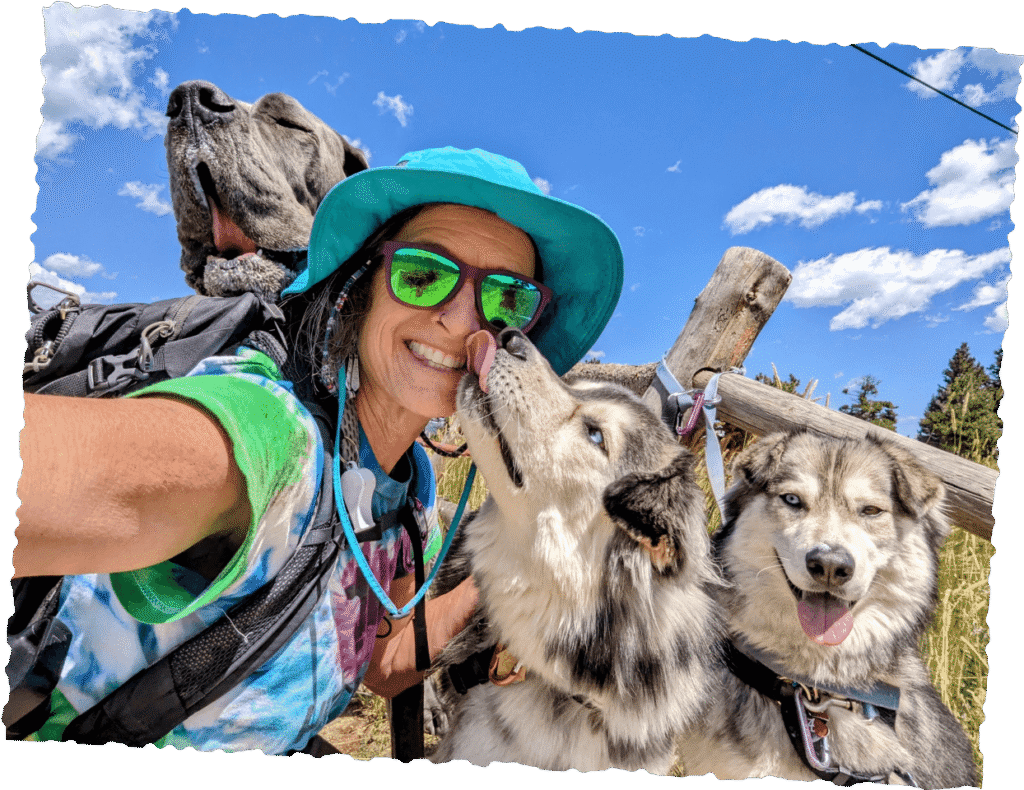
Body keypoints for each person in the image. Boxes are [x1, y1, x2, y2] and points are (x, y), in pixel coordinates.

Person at [15, 146, 624, 753]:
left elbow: (385, 662)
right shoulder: (269, 436)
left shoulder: (409, 486)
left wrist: (512, 578)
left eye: (507, 299)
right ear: (358, 287)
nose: (464, 320)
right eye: (423, 274)